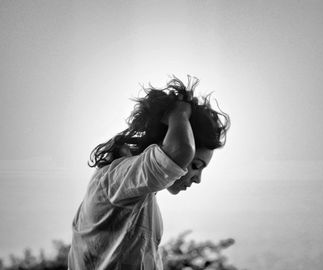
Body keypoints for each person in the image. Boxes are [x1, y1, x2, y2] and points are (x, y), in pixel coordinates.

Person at [68, 75, 230, 270]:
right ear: (165, 142)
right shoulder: (116, 179)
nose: (198, 180)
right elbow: (179, 153)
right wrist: (179, 113)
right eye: (195, 165)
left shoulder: (137, 193)